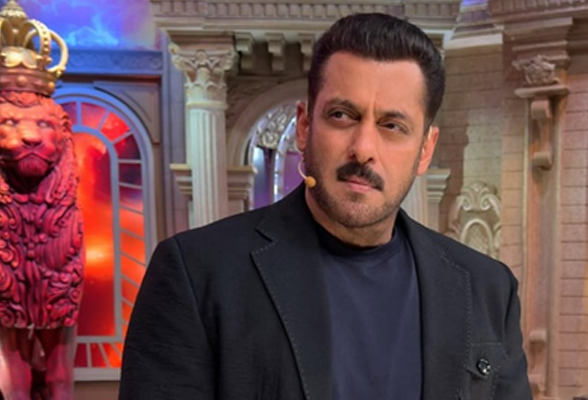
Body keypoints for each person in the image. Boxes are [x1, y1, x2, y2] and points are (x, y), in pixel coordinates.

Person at [119, 13, 532, 400]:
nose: (363, 148)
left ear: (425, 149)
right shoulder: (196, 274)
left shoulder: (488, 288)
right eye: (342, 115)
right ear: (304, 126)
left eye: (392, 126)